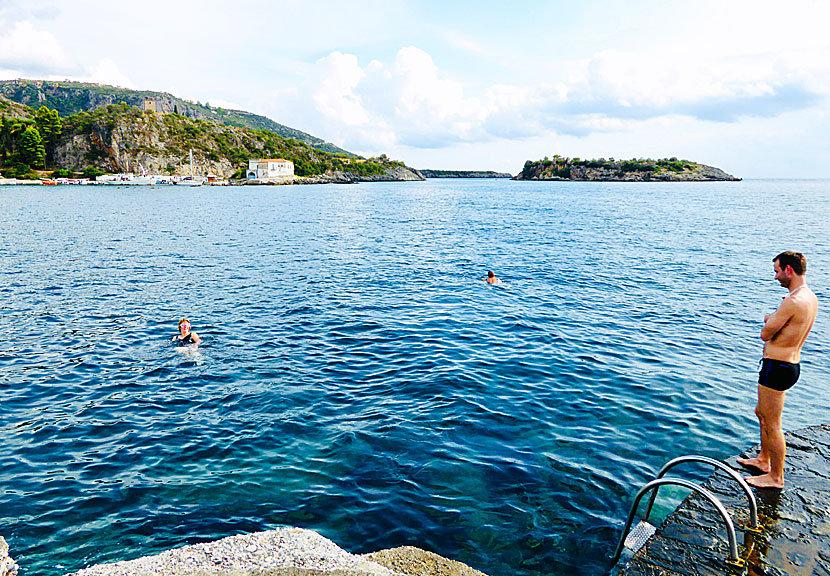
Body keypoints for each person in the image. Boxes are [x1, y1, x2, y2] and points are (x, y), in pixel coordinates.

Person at [738, 251, 818, 489]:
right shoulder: (809, 297)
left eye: (777, 271)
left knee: (773, 422)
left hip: (779, 367)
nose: (776, 277)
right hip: (787, 365)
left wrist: (770, 317)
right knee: (761, 412)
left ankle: (776, 476)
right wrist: (774, 317)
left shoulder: (793, 302)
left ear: (789, 270)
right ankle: (763, 460)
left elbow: (766, 332)